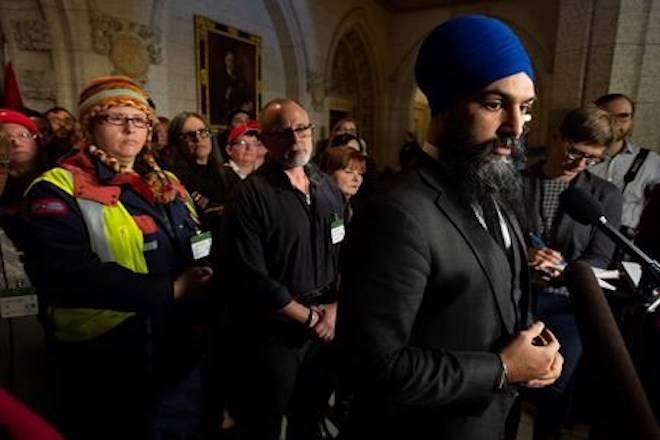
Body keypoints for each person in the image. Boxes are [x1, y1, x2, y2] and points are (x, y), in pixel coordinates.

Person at [335, 15, 563, 440]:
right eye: (494, 104)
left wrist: (536, 352)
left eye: (525, 107)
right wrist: (502, 369)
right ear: (443, 106)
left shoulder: (495, 188)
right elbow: (370, 367)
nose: (516, 128)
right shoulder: (397, 213)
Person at [22, 75, 213, 439]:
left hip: (177, 348)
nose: (131, 128)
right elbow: (71, 276)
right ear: (89, 125)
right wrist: (172, 290)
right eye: (115, 117)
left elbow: (198, 239)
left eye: (139, 119)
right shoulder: (57, 187)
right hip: (104, 359)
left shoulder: (167, 182)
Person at [220, 98, 345, 440]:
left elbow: (349, 252)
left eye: (302, 129)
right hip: (274, 335)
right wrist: (309, 318)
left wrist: (335, 309)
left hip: (326, 328)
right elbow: (249, 276)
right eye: (282, 132)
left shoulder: (326, 185)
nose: (295, 139)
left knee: (311, 417)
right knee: (264, 422)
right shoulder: (249, 196)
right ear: (265, 139)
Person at [520, 106, 621, 438]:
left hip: (569, 304)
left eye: (592, 159)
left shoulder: (605, 195)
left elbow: (602, 258)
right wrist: (526, 254)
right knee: (510, 385)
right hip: (520, 297)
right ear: (556, 137)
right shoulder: (518, 182)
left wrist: (563, 268)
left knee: (555, 391)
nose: (580, 165)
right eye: (575, 152)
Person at [590, 94, 660, 238]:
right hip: (583, 238)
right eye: (608, 116)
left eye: (623, 116)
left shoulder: (650, 161)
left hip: (626, 242)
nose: (615, 123)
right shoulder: (579, 157)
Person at [169, 111, 227, 231]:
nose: (198, 139)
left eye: (203, 132)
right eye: (190, 135)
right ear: (177, 143)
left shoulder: (228, 173)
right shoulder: (173, 180)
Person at [319, 146, 366, 221]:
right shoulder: (323, 205)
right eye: (348, 172)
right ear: (330, 173)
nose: (356, 179)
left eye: (360, 173)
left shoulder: (349, 207)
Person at [220, 120, 259, 194]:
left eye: (254, 143)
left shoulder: (262, 176)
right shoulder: (220, 175)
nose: (249, 148)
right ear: (229, 149)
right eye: (242, 143)